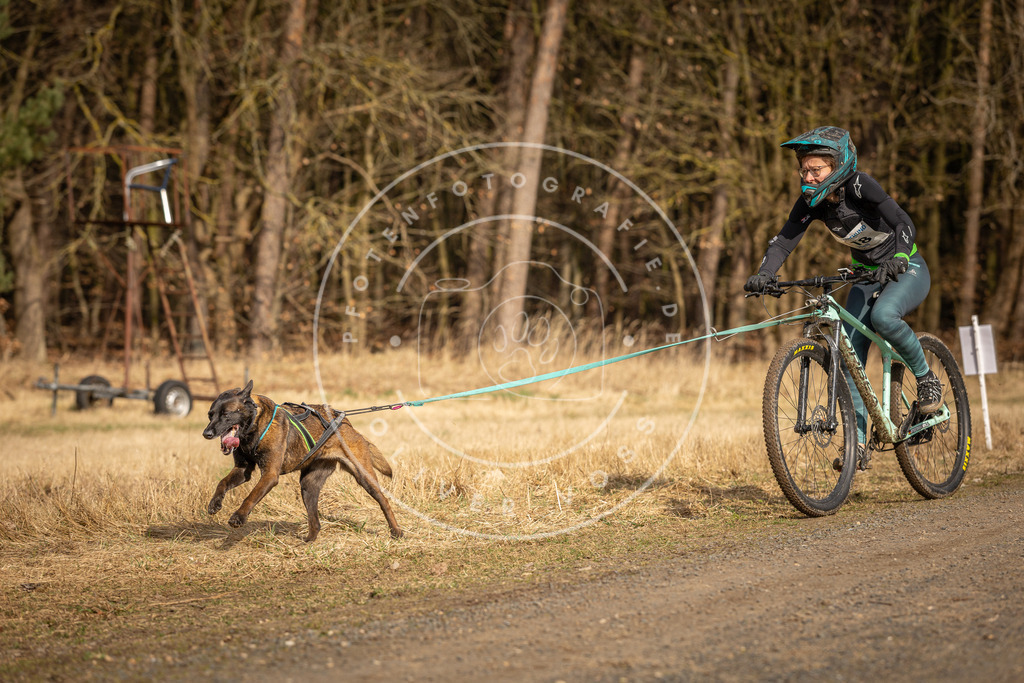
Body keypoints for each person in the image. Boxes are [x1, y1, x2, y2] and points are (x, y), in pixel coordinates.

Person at [744, 126, 942, 469]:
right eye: (803, 169)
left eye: (815, 169)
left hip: (907, 268)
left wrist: (898, 257)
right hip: (865, 276)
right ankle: (860, 443)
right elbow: (783, 241)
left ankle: (927, 380)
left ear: (837, 166)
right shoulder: (811, 203)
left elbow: (903, 222)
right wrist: (765, 274)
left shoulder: (860, 185)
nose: (807, 176)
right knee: (847, 355)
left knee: (884, 317)